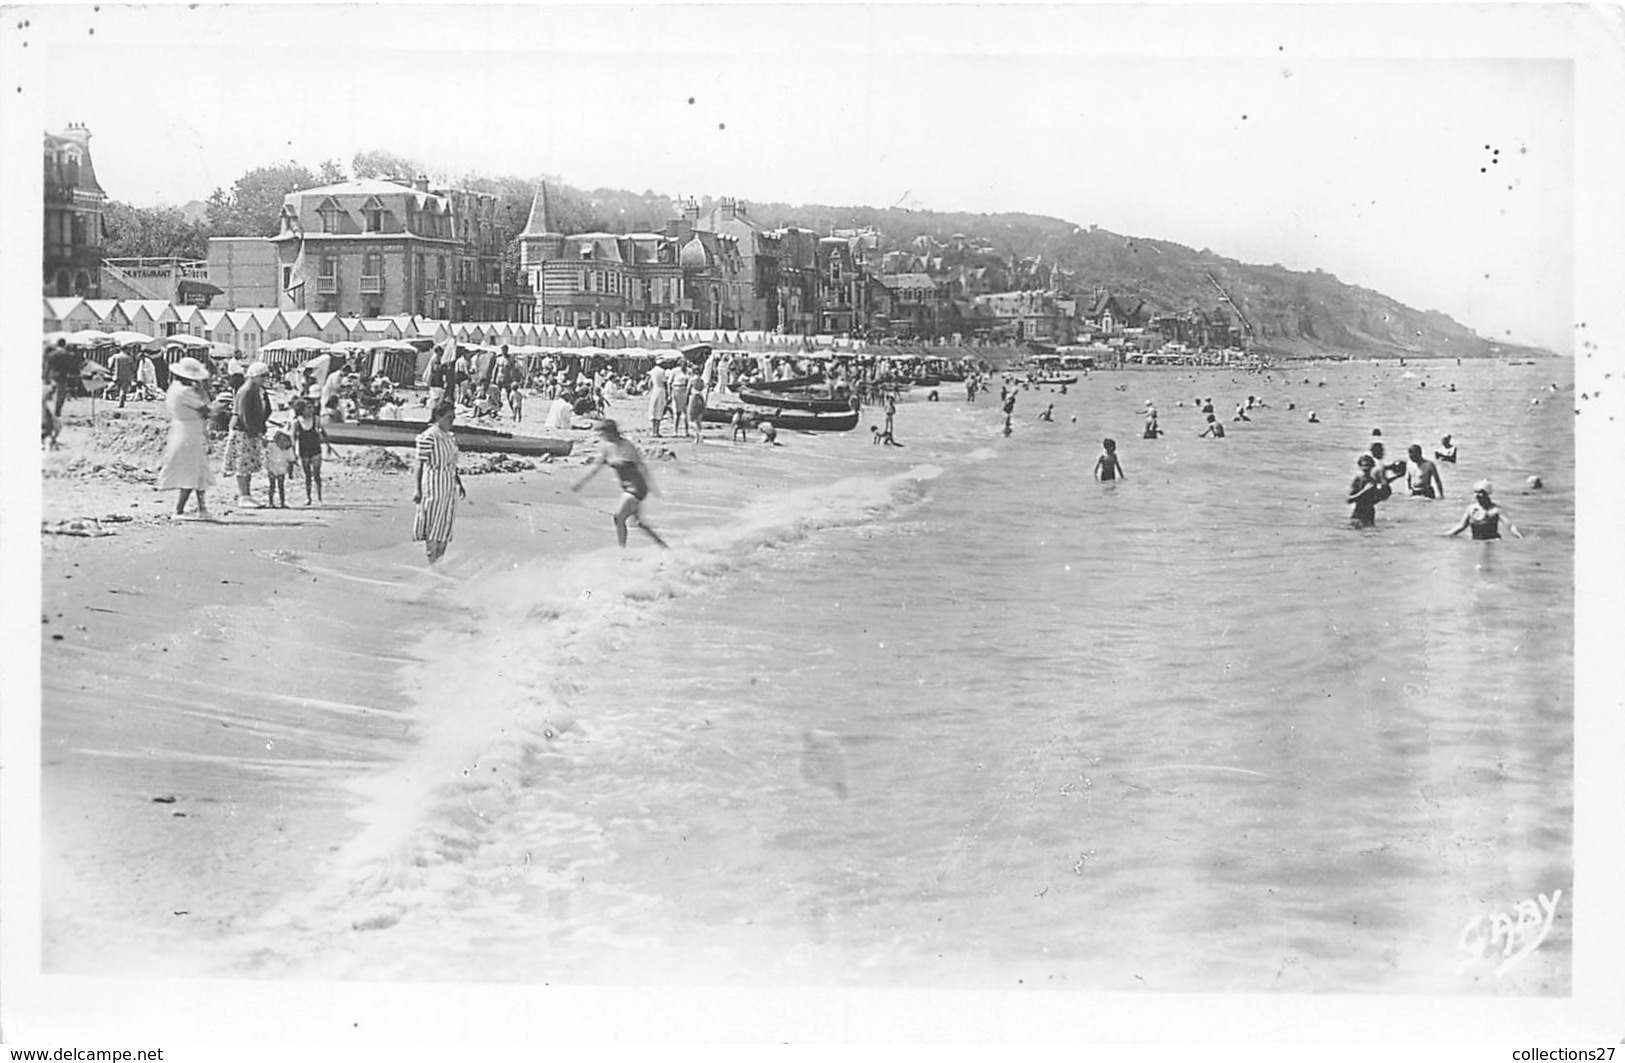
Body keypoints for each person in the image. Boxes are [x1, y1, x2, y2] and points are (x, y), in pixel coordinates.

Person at [571, 418, 667, 548]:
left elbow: (641, 466)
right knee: (637, 522)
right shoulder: (606, 447)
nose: (600, 436)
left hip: (636, 487)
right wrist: (580, 482)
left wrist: (653, 487)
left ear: (610, 432)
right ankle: (663, 547)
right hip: (627, 488)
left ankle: (622, 550)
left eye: (602, 433)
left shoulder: (626, 445)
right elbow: (595, 468)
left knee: (619, 517)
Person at [156, 357, 218, 520]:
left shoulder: (174, 388)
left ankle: (201, 507)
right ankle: (180, 509)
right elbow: (206, 409)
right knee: (191, 469)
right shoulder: (186, 392)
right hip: (189, 431)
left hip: (184, 429)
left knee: (197, 469)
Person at [412, 400, 467, 563]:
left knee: (445, 523)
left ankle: (439, 561)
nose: (451, 422)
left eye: (453, 418)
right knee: (433, 523)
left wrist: (459, 482)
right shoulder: (429, 436)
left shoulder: (449, 437)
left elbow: (452, 463)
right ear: (438, 417)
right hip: (434, 484)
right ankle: (431, 560)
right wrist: (417, 489)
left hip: (448, 485)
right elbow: (420, 464)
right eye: (449, 418)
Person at [221, 362, 273, 508]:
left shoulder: (256, 390)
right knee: (242, 464)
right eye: (263, 376)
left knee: (247, 464)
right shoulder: (247, 390)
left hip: (249, 430)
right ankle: (243, 496)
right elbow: (245, 414)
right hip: (243, 431)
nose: (265, 379)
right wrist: (255, 431)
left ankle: (247, 494)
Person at [290, 398, 335, 505]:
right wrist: (293, 453)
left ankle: (319, 497)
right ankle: (308, 497)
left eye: (312, 407)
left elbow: (323, 433)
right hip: (303, 449)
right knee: (307, 475)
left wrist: (328, 445)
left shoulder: (316, 419)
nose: (311, 410)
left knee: (317, 474)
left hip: (315, 448)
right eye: (308, 408)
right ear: (301, 409)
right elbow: (293, 438)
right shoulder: (296, 422)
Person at [1446, 481, 1523, 540]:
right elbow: (1461, 526)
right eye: (1475, 492)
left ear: (1487, 494)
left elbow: (1510, 526)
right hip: (1476, 541)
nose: (1477, 495)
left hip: (1492, 542)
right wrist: (1446, 536)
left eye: (1481, 492)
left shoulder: (1496, 510)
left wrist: (1521, 538)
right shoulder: (1471, 509)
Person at [1347, 453, 1385, 527]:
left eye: (1368, 465)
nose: (1366, 468)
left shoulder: (1373, 481)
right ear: (1360, 466)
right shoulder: (1358, 479)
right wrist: (1364, 490)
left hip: (1370, 513)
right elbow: (1349, 500)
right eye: (1364, 465)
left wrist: (1381, 496)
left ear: (1372, 466)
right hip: (1358, 513)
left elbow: (1373, 500)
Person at [264, 429, 295, 509]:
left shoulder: (288, 449)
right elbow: (265, 448)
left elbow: (291, 461)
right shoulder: (272, 446)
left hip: (282, 468)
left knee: (281, 486)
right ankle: (271, 502)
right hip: (272, 467)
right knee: (272, 486)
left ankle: (282, 503)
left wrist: (290, 473)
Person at [46, 339, 76, 417]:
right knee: (61, 394)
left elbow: (48, 367)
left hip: (52, 376)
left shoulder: (51, 354)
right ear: (64, 344)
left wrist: (46, 377)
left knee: (53, 393)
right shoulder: (68, 355)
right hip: (63, 376)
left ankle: (51, 410)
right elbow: (71, 367)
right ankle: (57, 410)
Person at [687, 381, 707, 445]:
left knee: (691, 421)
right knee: (698, 421)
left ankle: (699, 434)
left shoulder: (692, 380)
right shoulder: (701, 380)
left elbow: (688, 390)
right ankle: (697, 437)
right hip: (701, 398)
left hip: (694, 398)